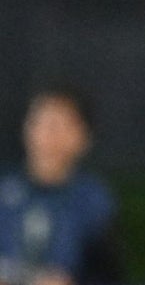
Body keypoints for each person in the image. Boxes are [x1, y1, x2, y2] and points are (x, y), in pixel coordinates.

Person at [0, 87, 124, 285]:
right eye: (42, 122)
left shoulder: (92, 200)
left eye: (61, 125)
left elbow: (108, 274)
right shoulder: (5, 190)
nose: (50, 135)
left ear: (83, 137)